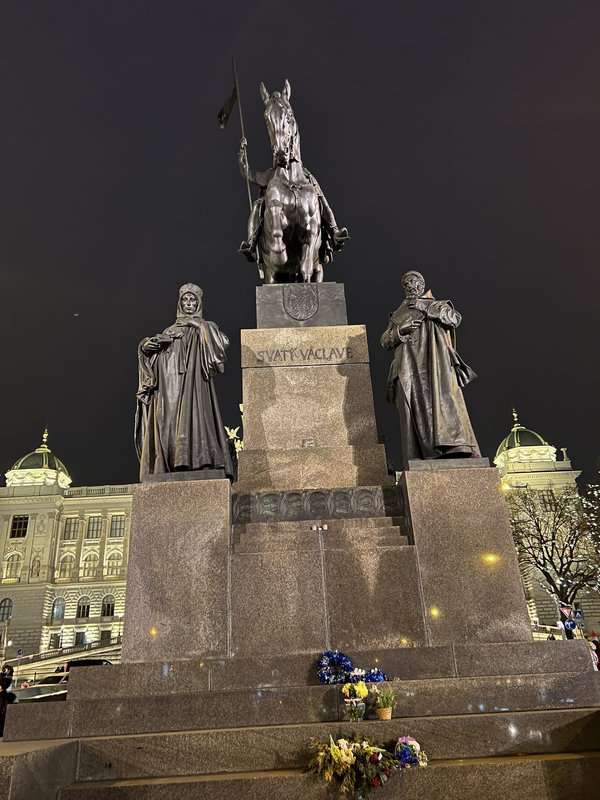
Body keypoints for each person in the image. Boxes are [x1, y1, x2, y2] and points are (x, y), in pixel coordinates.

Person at [380, 270, 481, 467]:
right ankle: (425, 453)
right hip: (408, 367)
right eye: (407, 283)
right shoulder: (398, 313)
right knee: (415, 409)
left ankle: (452, 448)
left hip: (435, 366)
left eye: (414, 282)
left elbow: (454, 319)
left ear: (421, 285)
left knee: (442, 405)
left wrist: (425, 307)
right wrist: (401, 330)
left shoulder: (436, 304)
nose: (411, 286)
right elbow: (384, 340)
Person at [134, 283, 234, 481]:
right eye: (185, 300)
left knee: (195, 419)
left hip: (194, 386)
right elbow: (152, 362)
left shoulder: (206, 326)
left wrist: (200, 325)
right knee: (167, 423)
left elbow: (222, 345)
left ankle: (199, 461)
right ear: (180, 303)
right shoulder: (169, 330)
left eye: (193, 300)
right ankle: (168, 463)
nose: (189, 304)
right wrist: (146, 348)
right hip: (168, 386)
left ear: (198, 304)